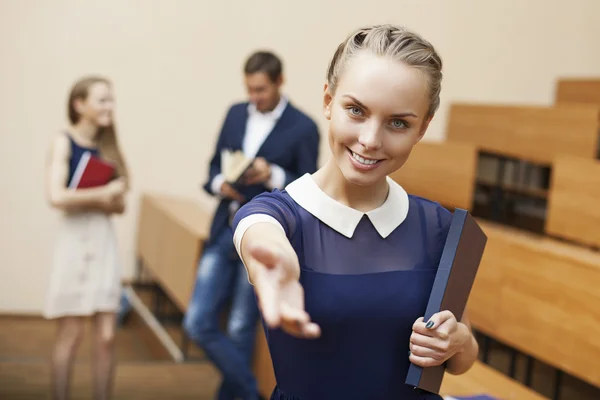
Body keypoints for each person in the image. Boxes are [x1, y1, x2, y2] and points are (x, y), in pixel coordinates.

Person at [231, 25, 479, 400]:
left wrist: (456, 341)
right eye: (356, 110)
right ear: (328, 101)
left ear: (423, 127)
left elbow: (463, 357)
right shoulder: (276, 213)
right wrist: (276, 266)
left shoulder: (439, 226)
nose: (370, 140)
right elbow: (259, 235)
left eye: (398, 122)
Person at [183, 51, 320, 400]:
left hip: (265, 234)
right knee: (197, 322)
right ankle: (248, 392)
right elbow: (214, 166)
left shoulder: (304, 127)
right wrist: (220, 184)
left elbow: (308, 188)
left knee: (242, 327)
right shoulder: (234, 113)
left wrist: (271, 173)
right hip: (224, 226)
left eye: (261, 90)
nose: (254, 97)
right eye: (250, 89)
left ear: (279, 82)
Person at [44, 76, 129, 400]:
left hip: (103, 240)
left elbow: (119, 206)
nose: (110, 107)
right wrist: (103, 193)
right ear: (80, 105)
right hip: (74, 240)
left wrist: (114, 196)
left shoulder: (109, 146)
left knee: (107, 335)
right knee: (71, 334)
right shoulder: (63, 140)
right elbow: (55, 196)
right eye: (103, 100)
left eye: (112, 100)